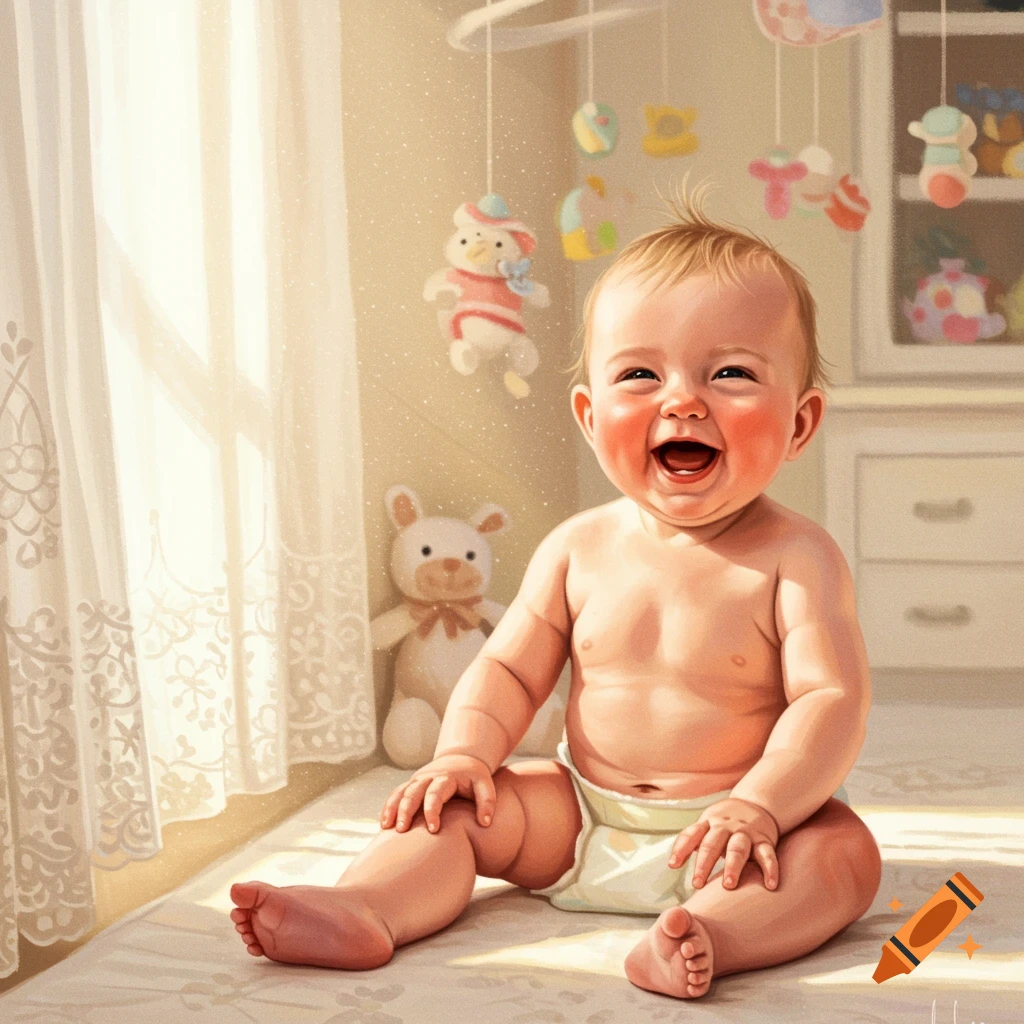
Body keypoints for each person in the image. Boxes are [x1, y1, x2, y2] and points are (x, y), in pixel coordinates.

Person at [228, 186, 882, 999]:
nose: (683, 399)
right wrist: (466, 753)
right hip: (582, 811)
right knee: (458, 813)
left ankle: (711, 934)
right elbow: (507, 671)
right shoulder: (578, 547)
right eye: (640, 373)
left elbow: (830, 700)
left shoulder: (798, 557)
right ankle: (369, 907)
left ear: (800, 423)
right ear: (587, 411)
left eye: (732, 373)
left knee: (843, 856)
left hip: (743, 831)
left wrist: (761, 805)